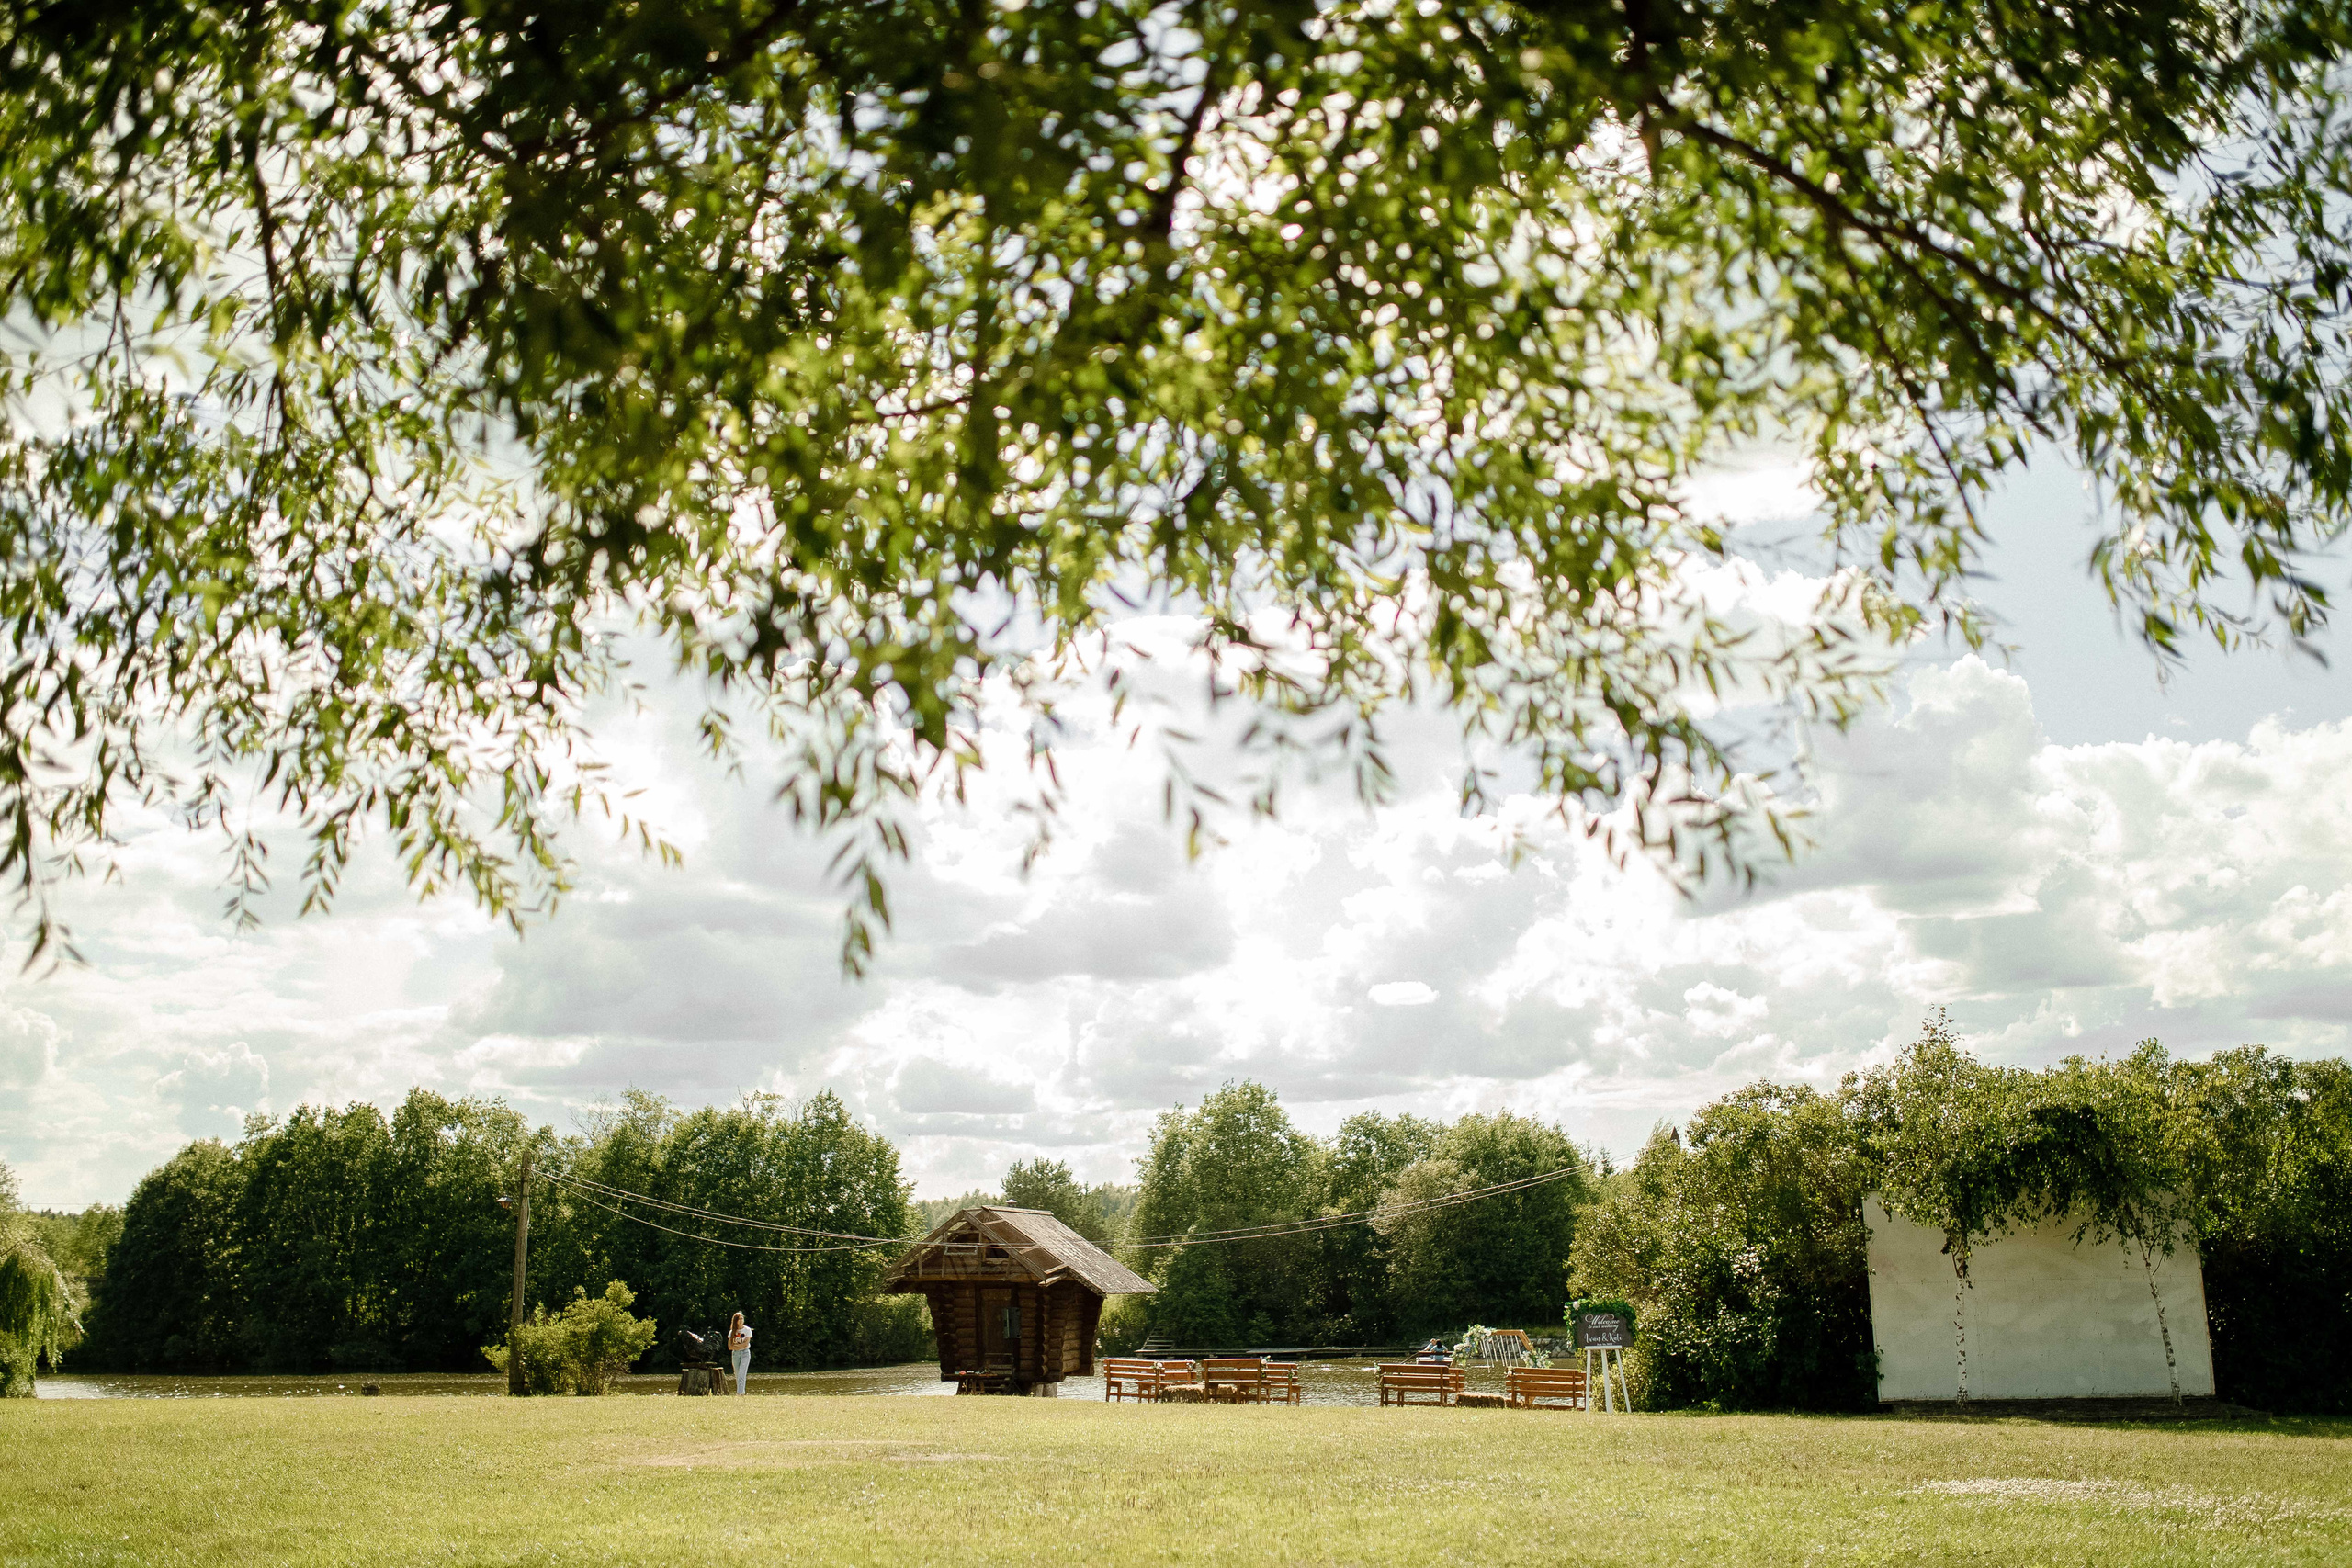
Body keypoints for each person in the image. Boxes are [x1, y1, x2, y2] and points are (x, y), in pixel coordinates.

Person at [728, 1311, 753, 1395]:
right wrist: (739, 1346)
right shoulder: (732, 1332)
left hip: (745, 1354)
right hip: (735, 1354)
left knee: (742, 1374)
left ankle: (740, 1393)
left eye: (742, 1318)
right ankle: (740, 1392)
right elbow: (730, 1347)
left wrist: (736, 1345)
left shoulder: (747, 1330)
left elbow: (746, 1344)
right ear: (735, 1321)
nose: (741, 1320)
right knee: (737, 1375)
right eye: (739, 1319)